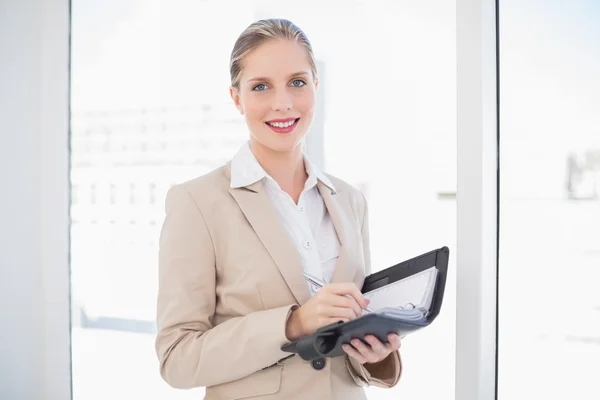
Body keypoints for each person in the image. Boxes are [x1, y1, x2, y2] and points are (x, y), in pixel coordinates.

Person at [155, 18, 402, 400]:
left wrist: (375, 354)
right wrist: (293, 323)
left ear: (316, 88)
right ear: (237, 98)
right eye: (261, 87)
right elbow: (177, 358)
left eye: (297, 82)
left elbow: (350, 336)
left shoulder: (350, 201)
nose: (283, 102)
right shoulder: (198, 202)